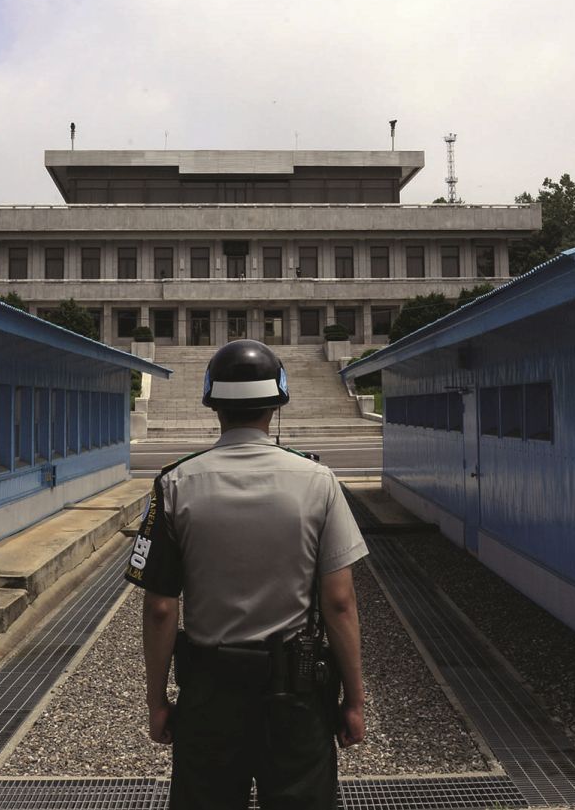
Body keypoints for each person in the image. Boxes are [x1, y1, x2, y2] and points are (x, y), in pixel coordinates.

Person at [126, 339, 368, 810]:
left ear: (212, 403)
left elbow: (159, 607)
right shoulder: (318, 482)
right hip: (295, 695)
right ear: (278, 403)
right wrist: (354, 701)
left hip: (209, 693)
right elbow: (339, 602)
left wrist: (157, 701)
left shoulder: (174, 483)